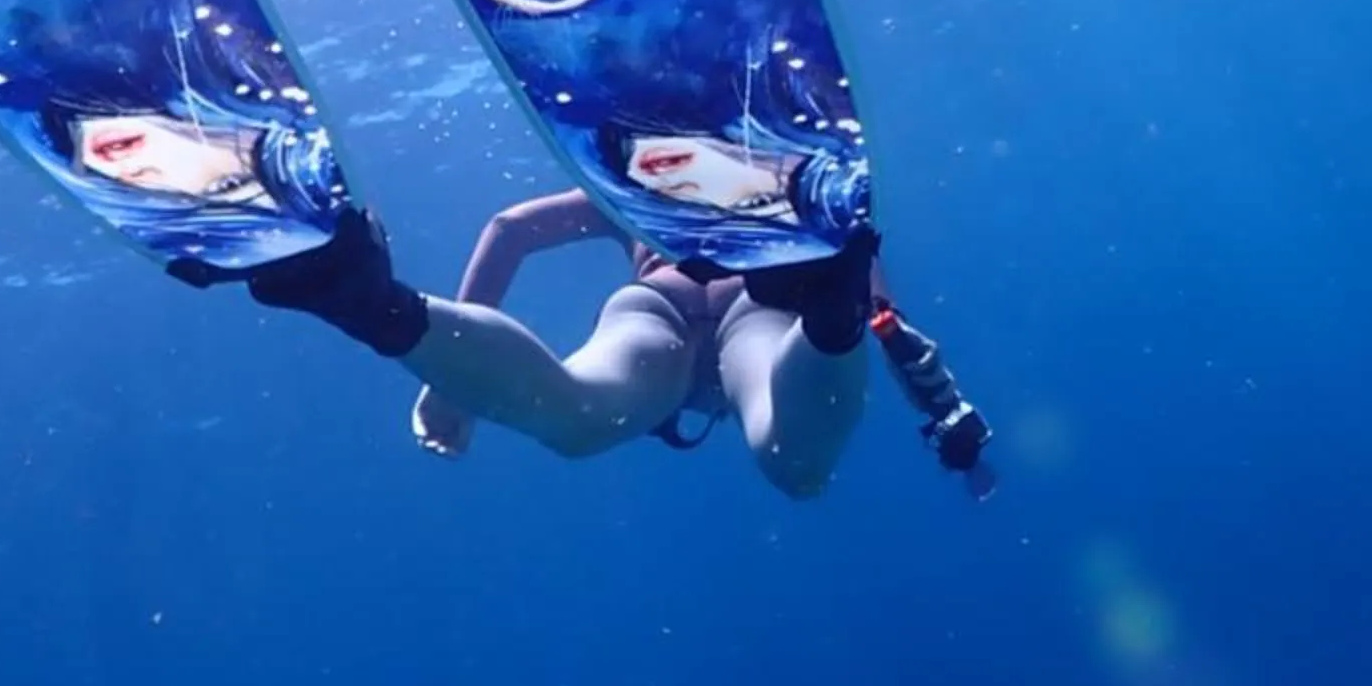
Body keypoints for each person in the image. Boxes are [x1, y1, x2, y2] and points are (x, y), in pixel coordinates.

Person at [183, 194, 877, 502]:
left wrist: (453, 380)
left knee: (580, 417)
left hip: (655, 300)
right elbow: (888, 316)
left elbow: (513, 227)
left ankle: (369, 304)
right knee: (793, 462)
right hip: (762, 301)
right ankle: (830, 319)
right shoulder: (762, 187)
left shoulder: (633, 185)